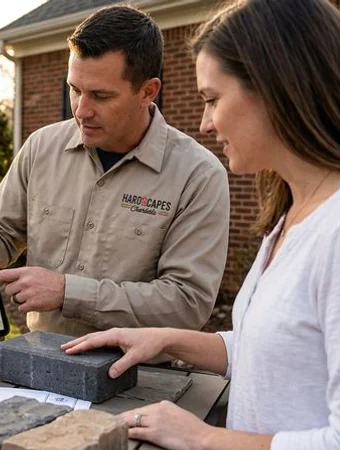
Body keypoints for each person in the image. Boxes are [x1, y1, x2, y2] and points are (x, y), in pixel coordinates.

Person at [61, 0, 340, 448]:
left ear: (278, 90)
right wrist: (165, 339)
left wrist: (203, 438)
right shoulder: (292, 213)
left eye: (212, 99)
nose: (205, 124)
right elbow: (277, 352)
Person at [0, 5, 230, 338]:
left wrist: (68, 292)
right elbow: (0, 230)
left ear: (148, 91)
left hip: (144, 376)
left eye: (101, 95)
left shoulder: (197, 175)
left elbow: (187, 304)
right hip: (41, 358)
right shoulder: (42, 147)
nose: (81, 110)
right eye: (75, 89)